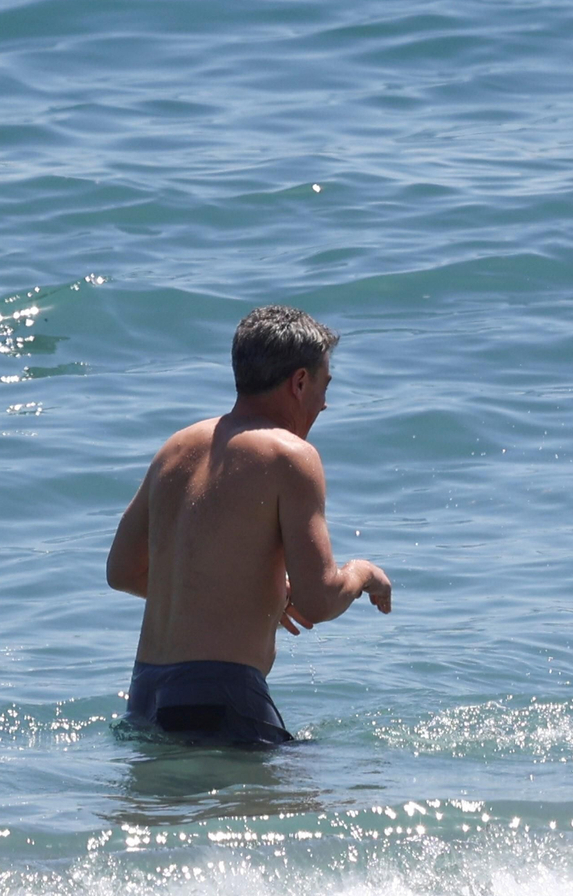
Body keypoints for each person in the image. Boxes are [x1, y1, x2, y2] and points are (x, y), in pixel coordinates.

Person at [106, 305, 392, 744]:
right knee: (323, 796)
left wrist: (255, 597)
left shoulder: (176, 448)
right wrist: (364, 574)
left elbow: (122, 571)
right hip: (222, 700)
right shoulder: (290, 455)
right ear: (299, 382)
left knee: (168, 814)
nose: (325, 403)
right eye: (323, 385)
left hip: (146, 696)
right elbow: (318, 601)